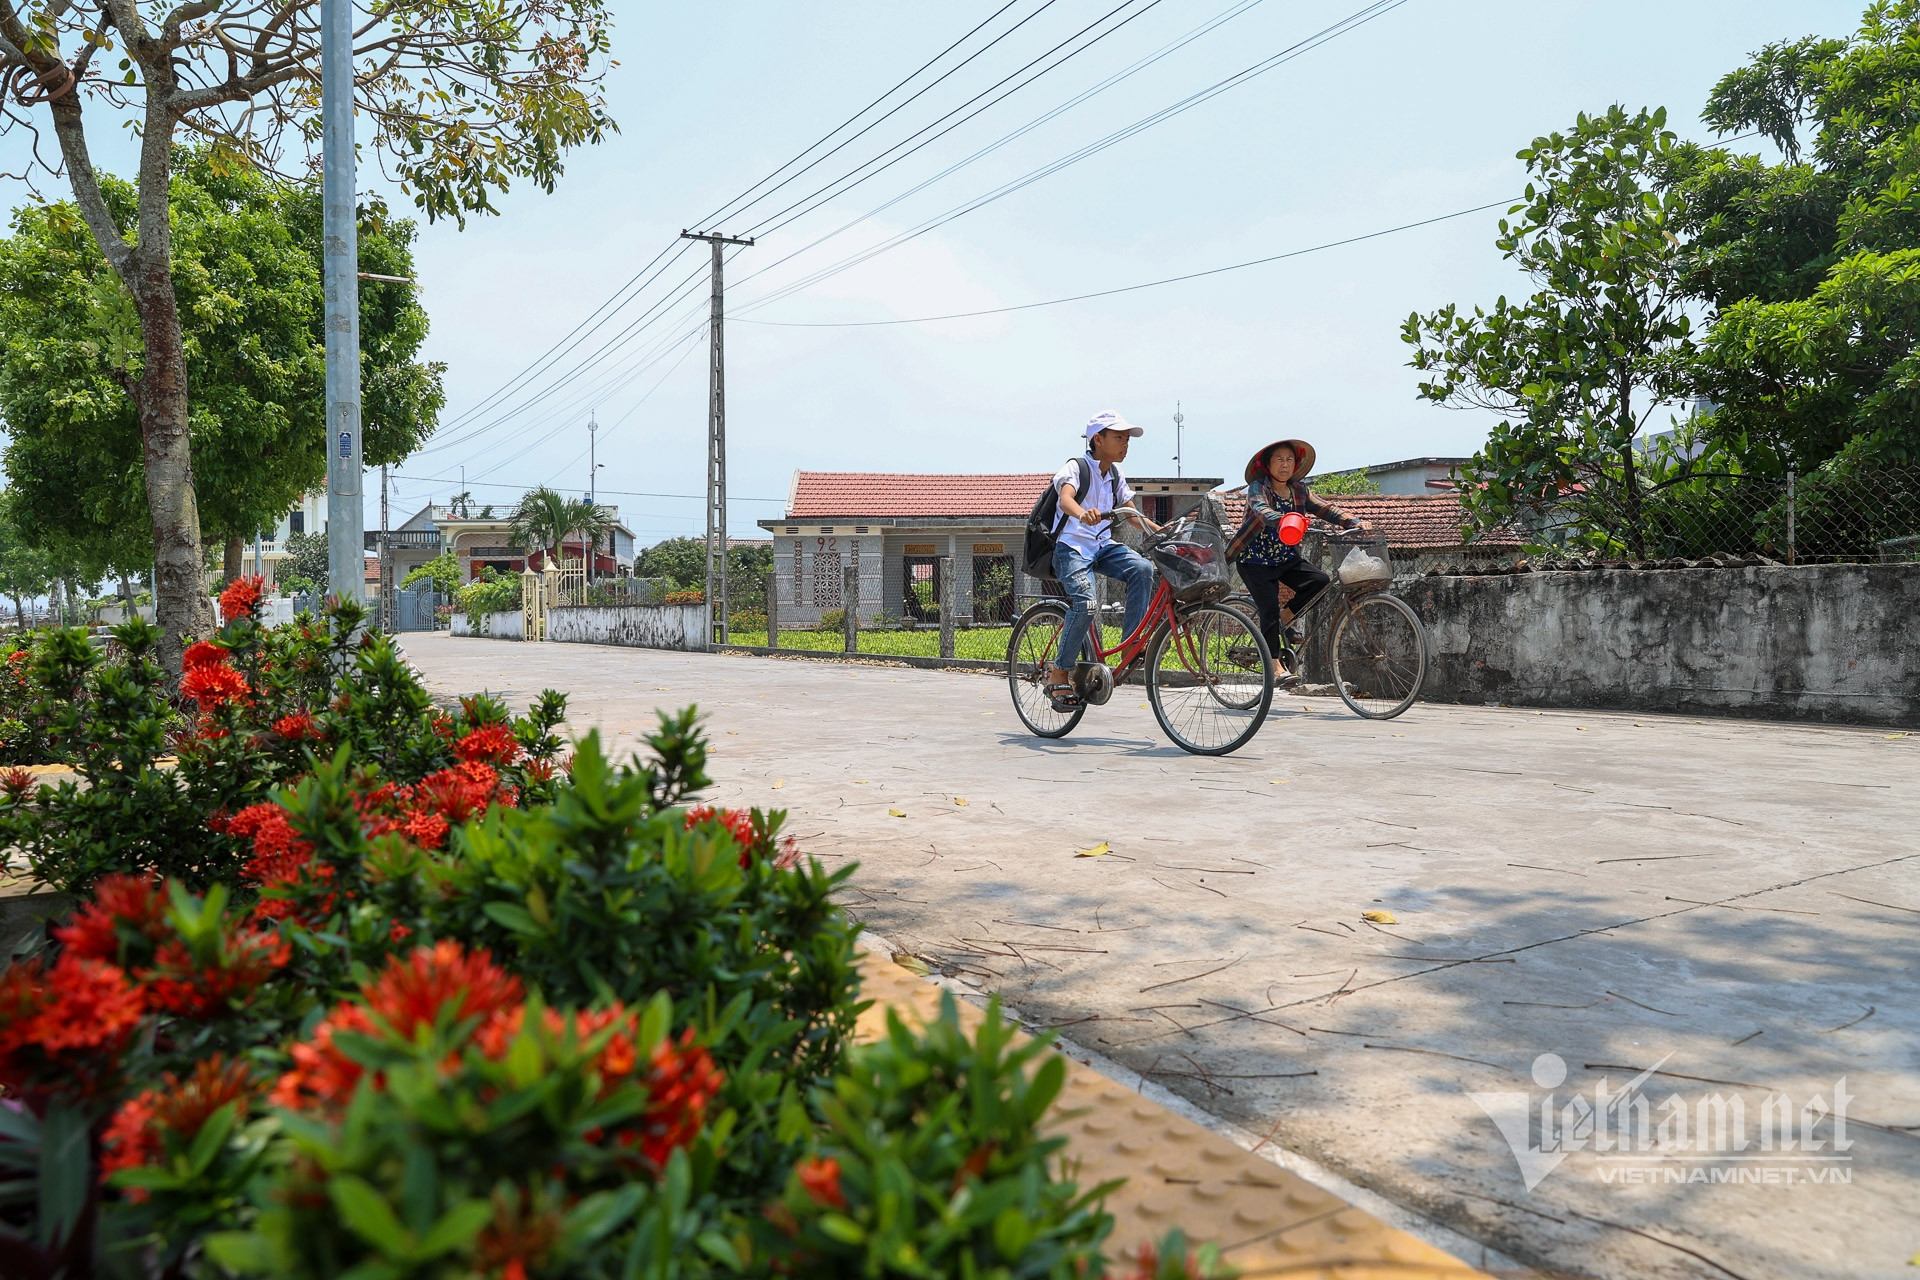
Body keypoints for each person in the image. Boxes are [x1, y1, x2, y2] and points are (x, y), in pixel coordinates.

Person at [1047, 411, 1162, 710]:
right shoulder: (1076, 467)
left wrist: (1160, 530)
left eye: (1127, 439)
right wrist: (1081, 513)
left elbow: (1130, 513)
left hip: (1102, 546)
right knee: (1085, 603)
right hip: (1071, 548)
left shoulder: (1115, 475)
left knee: (1142, 568)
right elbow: (1065, 499)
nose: (1125, 444)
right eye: (1119, 438)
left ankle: (1131, 646)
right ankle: (1059, 671)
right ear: (1098, 439)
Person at [1226, 438, 1370, 660]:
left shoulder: (1299, 490)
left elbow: (1326, 509)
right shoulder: (1259, 488)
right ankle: (1274, 667)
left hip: (1285, 558)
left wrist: (1354, 522)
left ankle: (1285, 620)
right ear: (1267, 464)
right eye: (1279, 459)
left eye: (1289, 460)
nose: (1285, 465)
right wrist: (1283, 520)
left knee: (1319, 581)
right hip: (1255, 560)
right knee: (1268, 609)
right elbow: (1261, 510)